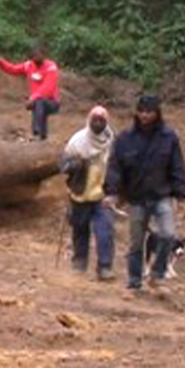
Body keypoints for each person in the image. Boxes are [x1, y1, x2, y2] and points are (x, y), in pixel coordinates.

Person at [104, 95, 185, 290]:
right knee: (136, 243)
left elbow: (177, 167)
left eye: (149, 112)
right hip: (137, 197)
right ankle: (134, 282)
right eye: (141, 111)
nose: (144, 115)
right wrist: (112, 193)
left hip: (161, 195)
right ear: (136, 112)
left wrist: (181, 197)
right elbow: (115, 168)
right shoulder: (125, 139)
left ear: (157, 113)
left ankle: (157, 274)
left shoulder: (169, 138)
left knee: (168, 234)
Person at [61, 106, 116, 280]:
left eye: (102, 120)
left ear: (106, 122)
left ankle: (105, 267)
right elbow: (63, 164)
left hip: (102, 194)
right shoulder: (77, 141)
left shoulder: (111, 141)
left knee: (105, 230)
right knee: (80, 229)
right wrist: (74, 165)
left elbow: (117, 166)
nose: (98, 123)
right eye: (95, 119)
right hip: (80, 192)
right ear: (89, 120)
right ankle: (79, 261)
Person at [0, 44, 61, 140]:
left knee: (39, 102)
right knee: (38, 104)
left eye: (39, 54)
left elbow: (48, 87)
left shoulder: (51, 67)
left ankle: (36, 133)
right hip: (37, 100)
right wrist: (0, 62)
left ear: (44, 55)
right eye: (34, 55)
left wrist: (33, 98)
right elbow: (13, 69)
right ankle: (42, 136)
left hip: (53, 102)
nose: (36, 57)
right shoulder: (29, 65)